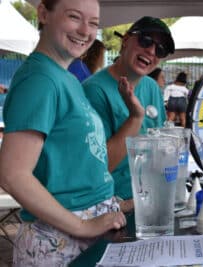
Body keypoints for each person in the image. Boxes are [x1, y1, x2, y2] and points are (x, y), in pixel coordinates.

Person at [0, 0, 126, 265]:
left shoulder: (65, 76)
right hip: (60, 239)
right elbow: (13, 174)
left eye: (93, 23)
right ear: (44, 14)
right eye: (74, 17)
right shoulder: (40, 79)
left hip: (87, 229)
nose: (85, 31)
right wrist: (82, 227)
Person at [83, 16, 174, 211]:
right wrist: (135, 118)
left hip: (149, 201)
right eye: (145, 41)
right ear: (125, 40)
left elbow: (161, 149)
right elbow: (96, 168)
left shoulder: (151, 87)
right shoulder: (94, 90)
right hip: (110, 206)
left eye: (160, 49)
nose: (151, 51)